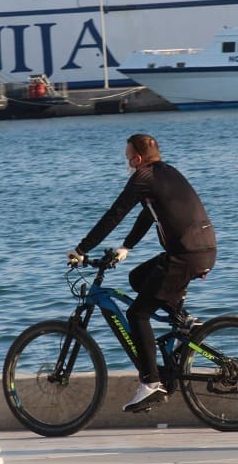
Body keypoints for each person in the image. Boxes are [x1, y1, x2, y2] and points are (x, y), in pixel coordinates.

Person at [67, 134, 216, 412]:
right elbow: (149, 213)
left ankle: (151, 383)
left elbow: (116, 213)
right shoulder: (168, 173)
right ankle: (182, 322)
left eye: (127, 158)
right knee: (137, 278)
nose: (127, 163)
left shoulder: (143, 177)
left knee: (137, 314)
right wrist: (127, 246)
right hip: (203, 251)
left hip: (184, 256)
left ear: (137, 159)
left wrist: (81, 249)